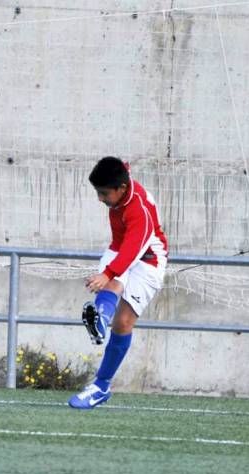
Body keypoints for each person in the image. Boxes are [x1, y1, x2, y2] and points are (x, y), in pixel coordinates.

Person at [68, 156, 168, 409]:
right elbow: (123, 249)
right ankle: (100, 319)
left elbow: (134, 249)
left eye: (103, 193)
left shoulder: (138, 210)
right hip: (121, 249)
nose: (100, 199)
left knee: (123, 322)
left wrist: (108, 273)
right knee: (111, 287)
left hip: (149, 259)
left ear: (121, 188)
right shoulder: (119, 192)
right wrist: (111, 276)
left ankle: (101, 386)